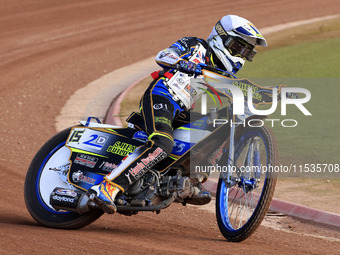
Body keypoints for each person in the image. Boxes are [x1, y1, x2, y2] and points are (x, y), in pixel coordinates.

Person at [88, 15, 268, 214]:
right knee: (163, 143)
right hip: (161, 97)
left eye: (245, 52)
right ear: (220, 37)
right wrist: (182, 62)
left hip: (182, 111)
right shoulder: (196, 45)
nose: (240, 55)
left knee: (217, 127)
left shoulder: (223, 73)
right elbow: (163, 55)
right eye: (237, 47)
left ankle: (192, 177)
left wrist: (266, 94)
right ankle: (108, 186)